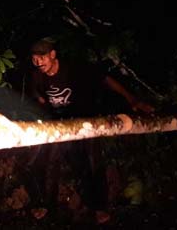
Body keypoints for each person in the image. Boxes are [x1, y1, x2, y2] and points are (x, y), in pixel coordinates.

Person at [27, 37, 153, 223]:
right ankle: (45, 204)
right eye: (34, 58)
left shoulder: (74, 69)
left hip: (84, 121)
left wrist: (132, 100)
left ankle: (99, 207)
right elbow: (40, 99)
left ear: (52, 55)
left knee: (92, 162)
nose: (38, 62)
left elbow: (106, 79)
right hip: (59, 124)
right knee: (48, 160)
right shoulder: (37, 75)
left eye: (42, 57)